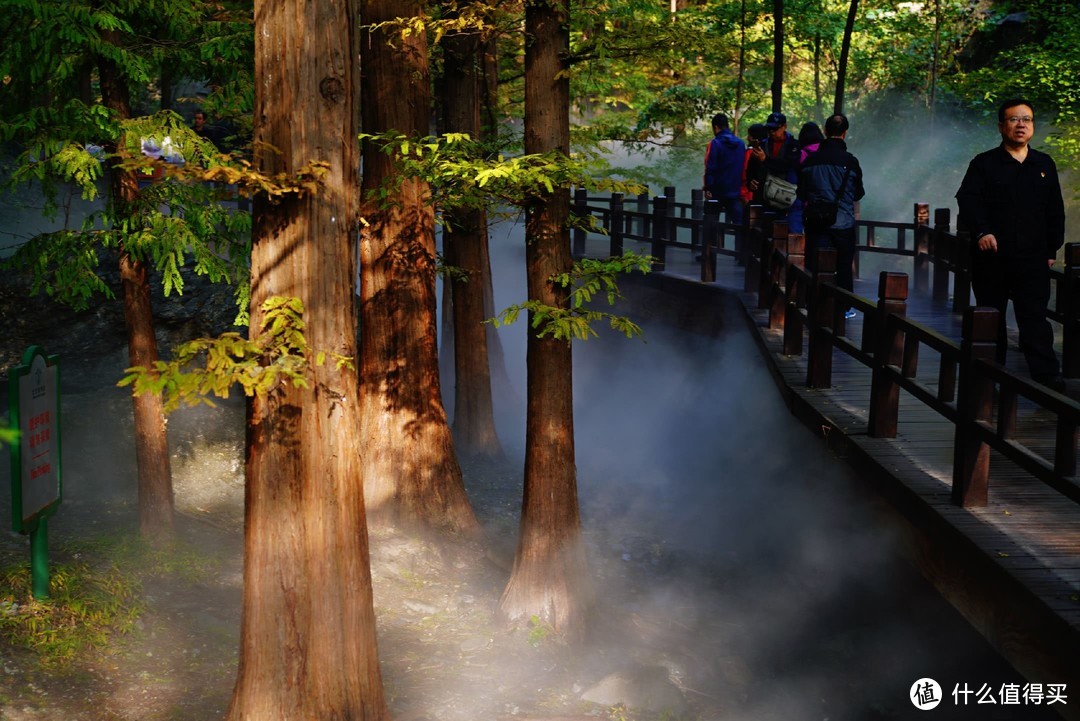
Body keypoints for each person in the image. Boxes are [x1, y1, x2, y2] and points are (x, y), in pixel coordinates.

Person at [955, 98, 1067, 392]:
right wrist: (982, 232)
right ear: (1001, 126)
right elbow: (967, 200)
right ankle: (988, 375)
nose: (1021, 125)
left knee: (1034, 318)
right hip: (992, 256)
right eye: (1014, 119)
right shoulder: (984, 163)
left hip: (1032, 257)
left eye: (1027, 119)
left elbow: (1054, 209)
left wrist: (1051, 250)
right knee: (991, 316)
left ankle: (1046, 380)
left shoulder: (1044, 164)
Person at [798, 113, 865, 319]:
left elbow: (801, 193)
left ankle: (813, 303)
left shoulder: (810, 160)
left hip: (817, 222)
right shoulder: (851, 162)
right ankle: (843, 307)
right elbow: (858, 193)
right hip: (843, 223)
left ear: (825, 131)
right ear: (845, 134)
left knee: (814, 264)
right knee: (843, 266)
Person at [702, 113, 747, 226]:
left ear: (716, 127)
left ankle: (713, 244)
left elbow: (710, 168)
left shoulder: (715, 144)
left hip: (717, 191)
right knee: (739, 225)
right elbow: (744, 168)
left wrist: (708, 188)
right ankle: (740, 244)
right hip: (735, 192)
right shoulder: (741, 144)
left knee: (711, 224)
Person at [763, 111, 803, 232]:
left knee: (793, 231)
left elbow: (788, 164)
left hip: (789, 194)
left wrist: (765, 160)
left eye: (775, 129)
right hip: (768, 195)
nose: (772, 132)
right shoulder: (764, 145)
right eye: (769, 129)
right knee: (769, 234)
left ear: (784, 126)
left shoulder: (793, 145)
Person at [741, 123, 769, 206]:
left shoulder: (751, 152)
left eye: (750, 135)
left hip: (750, 194)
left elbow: (744, 173)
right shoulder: (767, 149)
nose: (748, 138)